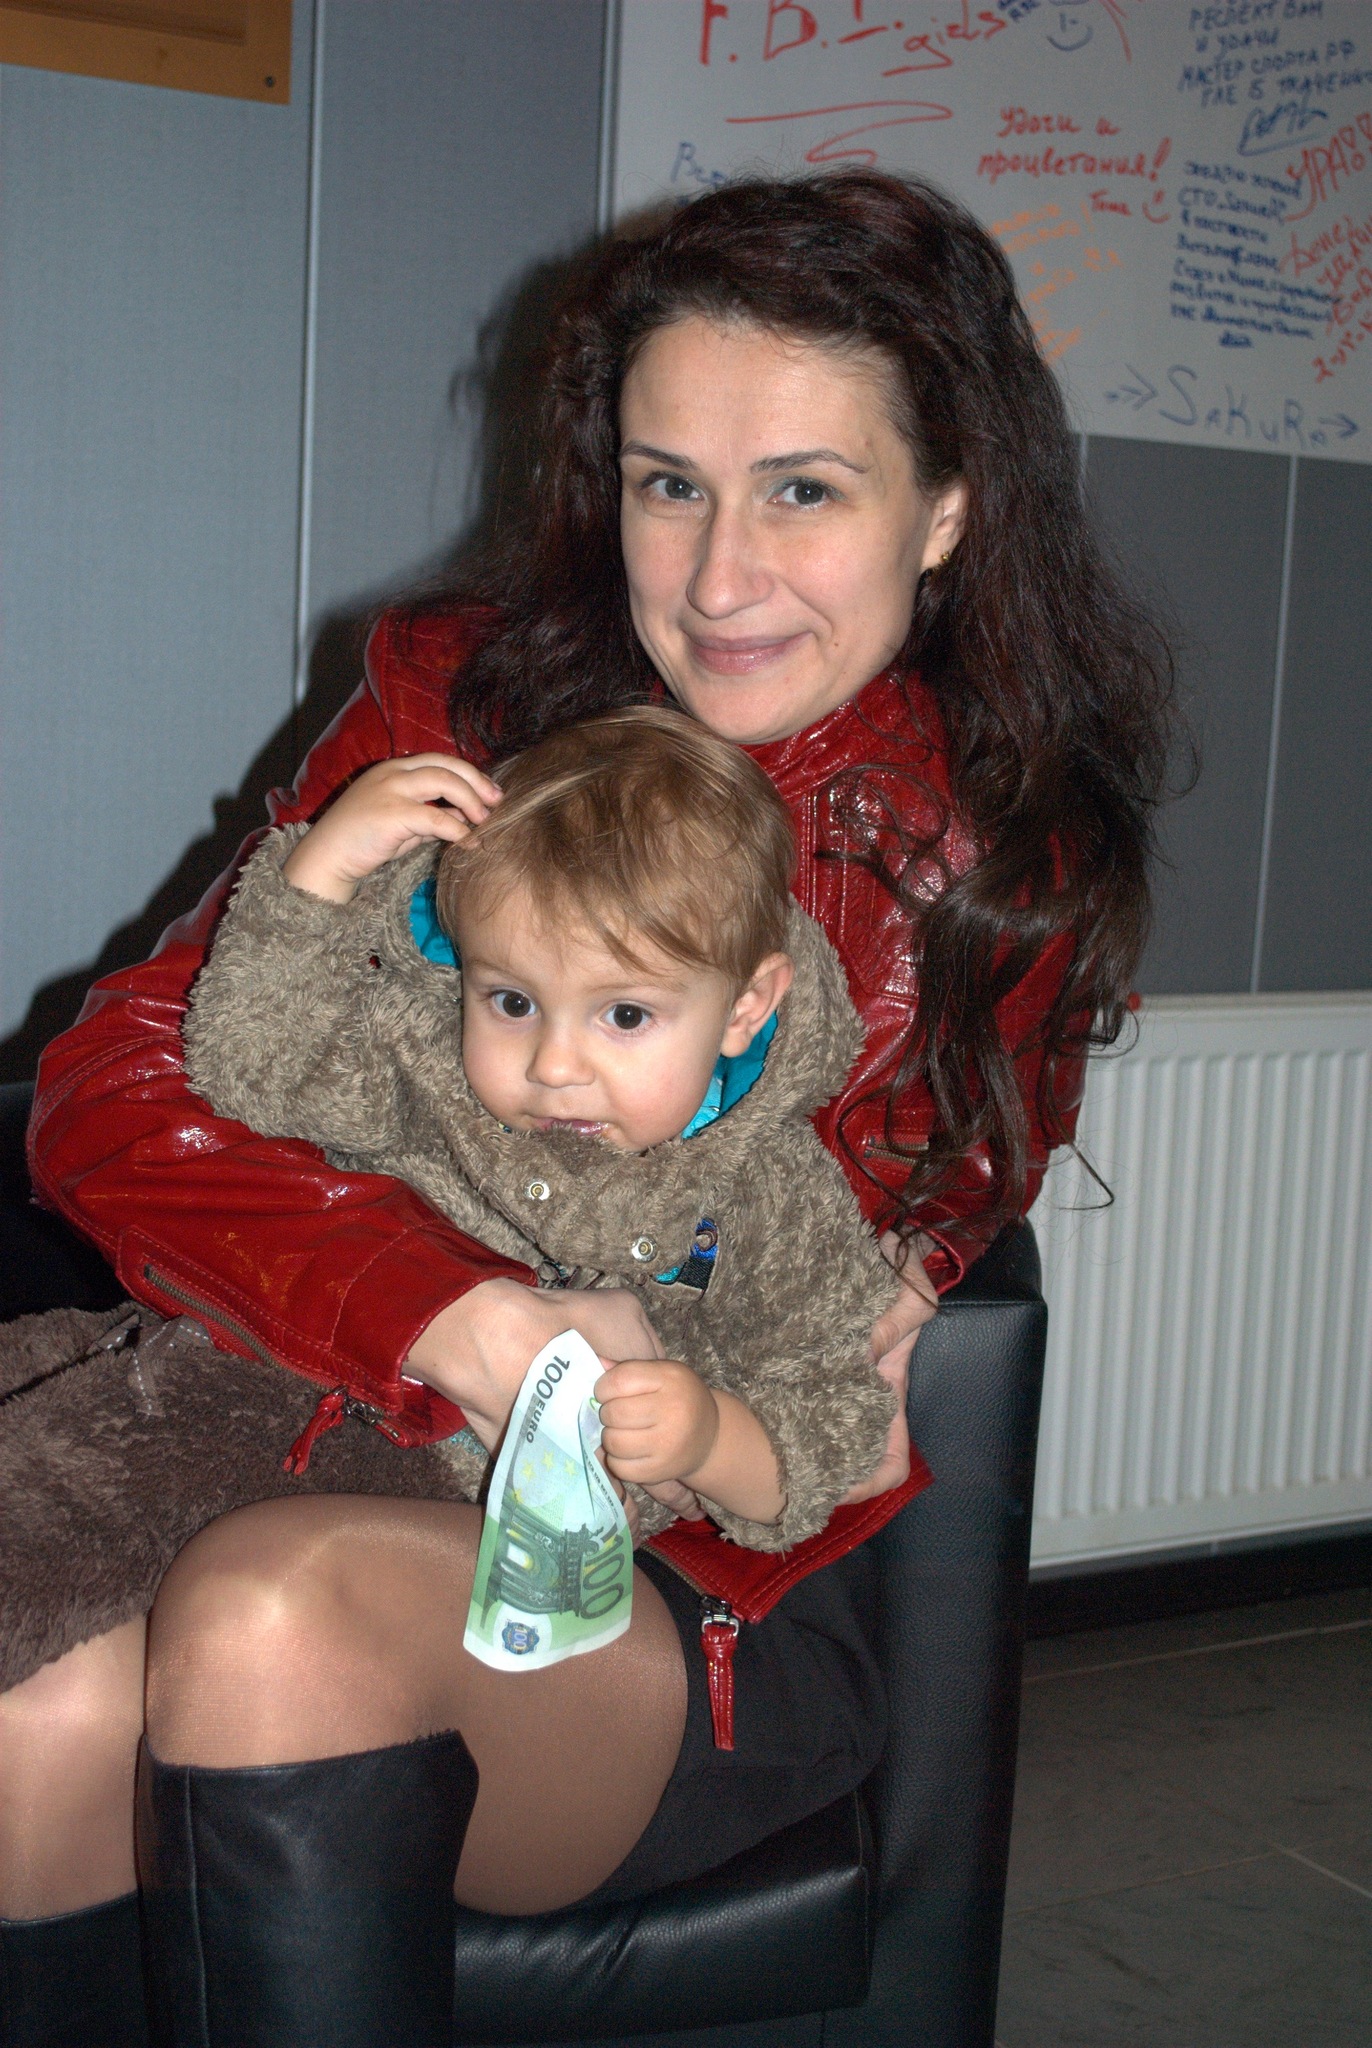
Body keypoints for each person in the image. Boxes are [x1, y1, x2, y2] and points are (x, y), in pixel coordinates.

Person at [0, 169, 1172, 2048]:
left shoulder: (998, 864)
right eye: (666, 483)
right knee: (38, 1717)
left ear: (947, 507)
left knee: (273, 1609)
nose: (717, 578)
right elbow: (121, 1096)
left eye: (805, 488)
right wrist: (452, 1315)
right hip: (307, 1426)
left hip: (672, 1582)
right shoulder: (456, 713)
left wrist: (843, 1286)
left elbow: (852, 1278)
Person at [181, 704, 907, 1550]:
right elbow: (251, 1068)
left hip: (482, 1534)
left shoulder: (773, 1198)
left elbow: (829, 1428)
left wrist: (711, 1439)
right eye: (513, 1002)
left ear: (745, 1009)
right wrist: (322, 869)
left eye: (625, 1015)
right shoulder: (425, 1063)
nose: (554, 1067)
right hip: (260, 1401)